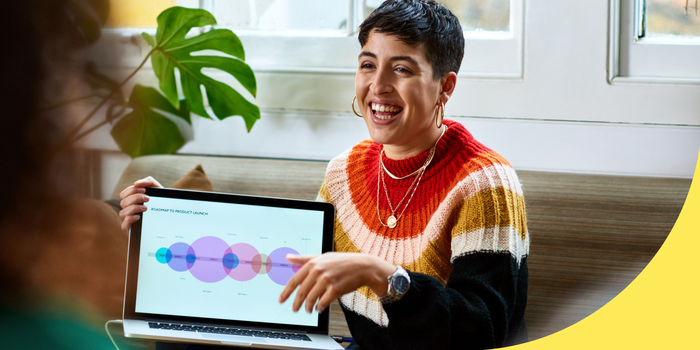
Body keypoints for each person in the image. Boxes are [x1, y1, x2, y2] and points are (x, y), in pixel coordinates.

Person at [119, 1, 529, 349]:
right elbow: (279, 270)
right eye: (368, 65)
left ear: (445, 86)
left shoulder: (485, 182)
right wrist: (167, 219)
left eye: (401, 69)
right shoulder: (344, 174)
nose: (378, 85)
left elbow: (483, 329)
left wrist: (383, 275)